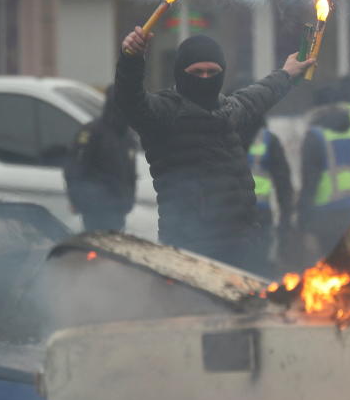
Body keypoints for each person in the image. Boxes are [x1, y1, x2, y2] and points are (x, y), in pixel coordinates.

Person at [116, 28, 314, 267]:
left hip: (243, 248)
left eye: (213, 72)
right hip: (190, 252)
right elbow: (130, 100)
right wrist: (131, 58)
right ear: (180, 73)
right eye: (197, 72)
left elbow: (261, 94)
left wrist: (287, 73)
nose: (205, 78)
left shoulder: (228, 110)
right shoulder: (164, 113)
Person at [297, 86, 350, 259]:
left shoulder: (314, 137)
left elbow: (309, 184)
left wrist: (304, 226)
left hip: (324, 218)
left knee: (330, 271)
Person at [63, 86, 137, 232]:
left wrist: (128, 201)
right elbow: (74, 169)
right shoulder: (92, 133)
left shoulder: (127, 137)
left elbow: (130, 175)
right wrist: (77, 200)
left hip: (119, 211)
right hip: (95, 210)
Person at [245, 123, 294, 276]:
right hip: (260, 211)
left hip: (228, 213)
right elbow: (283, 183)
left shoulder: (221, 133)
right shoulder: (267, 139)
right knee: (259, 265)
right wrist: (285, 222)